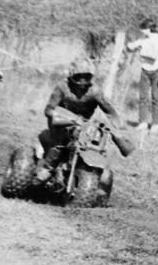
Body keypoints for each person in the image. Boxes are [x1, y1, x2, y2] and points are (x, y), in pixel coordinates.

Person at [35, 59, 124, 190]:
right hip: (60, 123)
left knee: (94, 145)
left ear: (91, 78)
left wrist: (117, 129)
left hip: (82, 126)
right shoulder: (62, 87)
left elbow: (109, 110)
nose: (82, 82)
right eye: (79, 77)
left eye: (86, 77)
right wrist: (65, 117)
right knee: (60, 143)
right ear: (71, 76)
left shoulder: (95, 91)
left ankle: (96, 177)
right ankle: (48, 168)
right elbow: (49, 110)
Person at [126, 18, 158, 132]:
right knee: (143, 97)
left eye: (143, 29)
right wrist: (131, 46)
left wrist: (141, 52)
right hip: (145, 70)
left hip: (156, 71)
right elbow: (132, 46)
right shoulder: (143, 39)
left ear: (148, 29)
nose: (141, 31)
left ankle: (155, 124)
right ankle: (143, 122)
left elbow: (152, 56)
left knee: (155, 97)